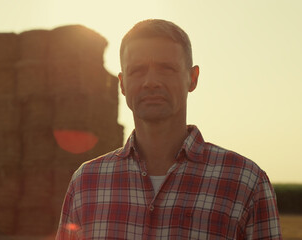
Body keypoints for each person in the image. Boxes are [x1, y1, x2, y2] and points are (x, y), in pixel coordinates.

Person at [56, 19, 282, 239]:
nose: (151, 81)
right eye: (138, 70)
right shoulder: (86, 183)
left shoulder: (245, 182)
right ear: (123, 84)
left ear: (192, 78)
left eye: (166, 69)